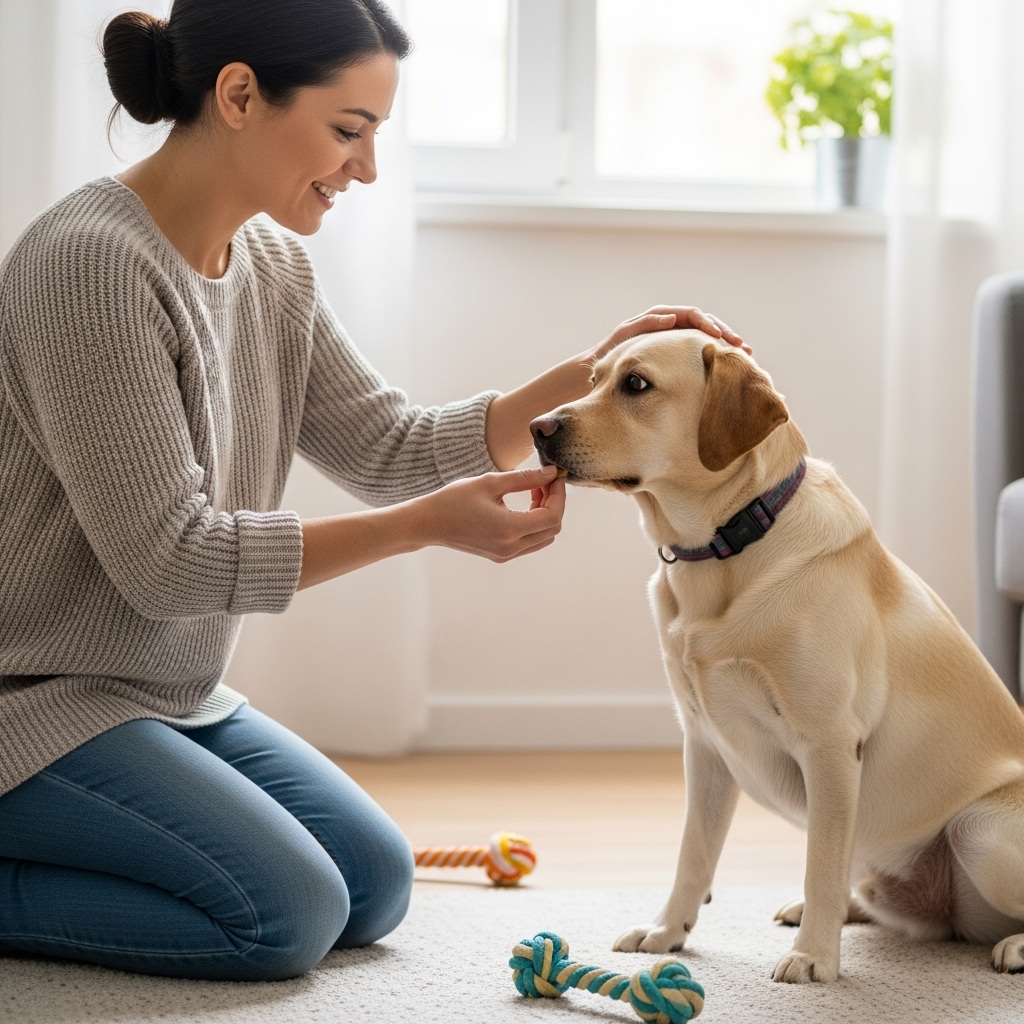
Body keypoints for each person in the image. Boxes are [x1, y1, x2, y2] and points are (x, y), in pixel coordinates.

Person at [0, 0, 743, 982]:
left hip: (168, 694)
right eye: (348, 131)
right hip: (35, 700)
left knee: (374, 880)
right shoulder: (91, 264)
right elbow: (169, 562)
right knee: (284, 915)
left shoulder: (272, 267)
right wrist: (424, 530)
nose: (366, 167)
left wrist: (587, 376)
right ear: (237, 94)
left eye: (376, 135)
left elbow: (389, 442)